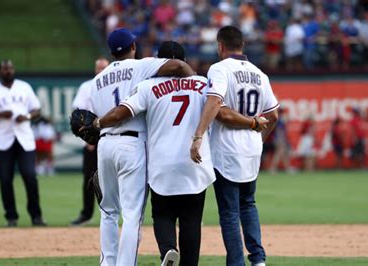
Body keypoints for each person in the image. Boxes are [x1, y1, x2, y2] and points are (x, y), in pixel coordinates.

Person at [92, 41, 268, 266]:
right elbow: (222, 112)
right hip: (195, 163)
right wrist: (252, 122)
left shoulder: (148, 86)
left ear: (161, 62)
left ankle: (168, 248)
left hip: (161, 163)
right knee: (191, 221)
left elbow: (122, 112)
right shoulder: (204, 84)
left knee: (163, 216)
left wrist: (98, 123)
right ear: (184, 61)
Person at [89, 28, 196, 266]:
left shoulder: (96, 80)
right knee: (132, 214)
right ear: (134, 47)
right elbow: (178, 66)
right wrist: (194, 80)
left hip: (104, 143)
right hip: (132, 143)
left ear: (110, 52)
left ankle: (107, 263)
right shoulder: (140, 66)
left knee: (108, 212)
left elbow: (90, 120)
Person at [190, 26, 279, 266]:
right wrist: (259, 138)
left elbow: (216, 104)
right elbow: (274, 116)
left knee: (229, 213)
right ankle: (258, 260)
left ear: (220, 46)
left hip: (227, 149)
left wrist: (198, 135)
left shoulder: (219, 68)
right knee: (248, 205)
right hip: (251, 149)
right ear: (242, 45)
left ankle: (236, 263)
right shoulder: (260, 73)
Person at [0, 60, 46, 227]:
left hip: (24, 138)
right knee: (5, 178)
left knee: (30, 176)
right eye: (5, 68)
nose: (8, 71)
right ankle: (11, 217)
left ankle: (36, 216)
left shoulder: (24, 87)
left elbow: (37, 110)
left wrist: (27, 116)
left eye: (11, 68)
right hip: (2, 139)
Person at [70, 57, 109, 226]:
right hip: (92, 138)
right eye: (98, 67)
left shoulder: (113, 84)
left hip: (111, 135)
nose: (100, 70)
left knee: (112, 178)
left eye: (103, 68)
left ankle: (110, 213)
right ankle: (86, 213)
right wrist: (87, 137)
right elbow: (78, 112)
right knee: (89, 177)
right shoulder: (87, 87)